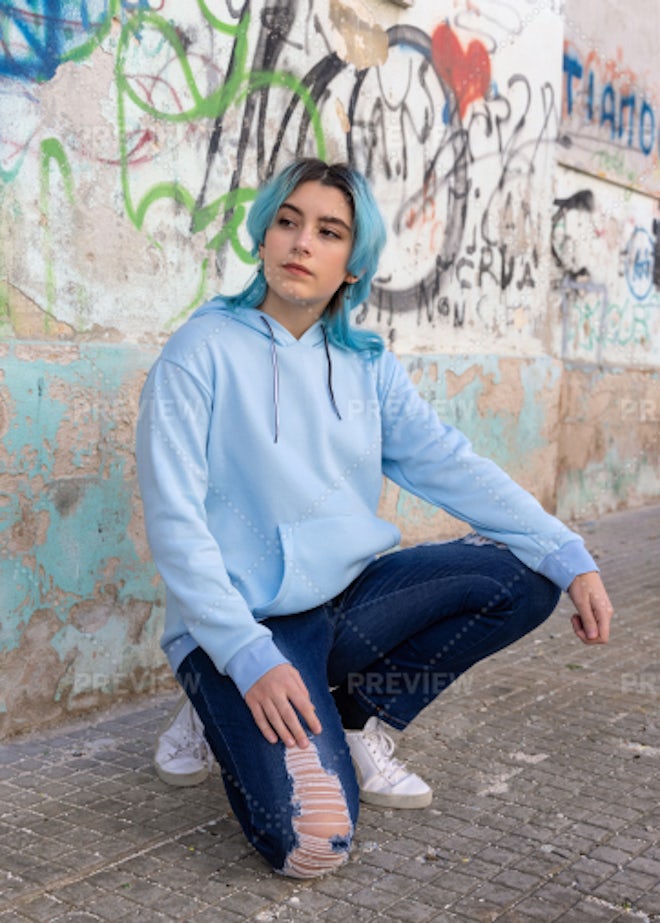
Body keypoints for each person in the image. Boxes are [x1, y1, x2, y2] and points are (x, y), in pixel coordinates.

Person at [136, 157, 613, 879]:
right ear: (263, 235)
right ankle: (214, 703)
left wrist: (569, 550)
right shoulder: (198, 353)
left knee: (527, 572)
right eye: (288, 222)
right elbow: (175, 524)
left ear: (352, 265)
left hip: (345, 606)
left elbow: (451, 465)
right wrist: (246, 653)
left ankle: (356, 720)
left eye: (329, 232)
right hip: (241, 623)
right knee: (312, 845)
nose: (302, 243)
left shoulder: (367, 365)